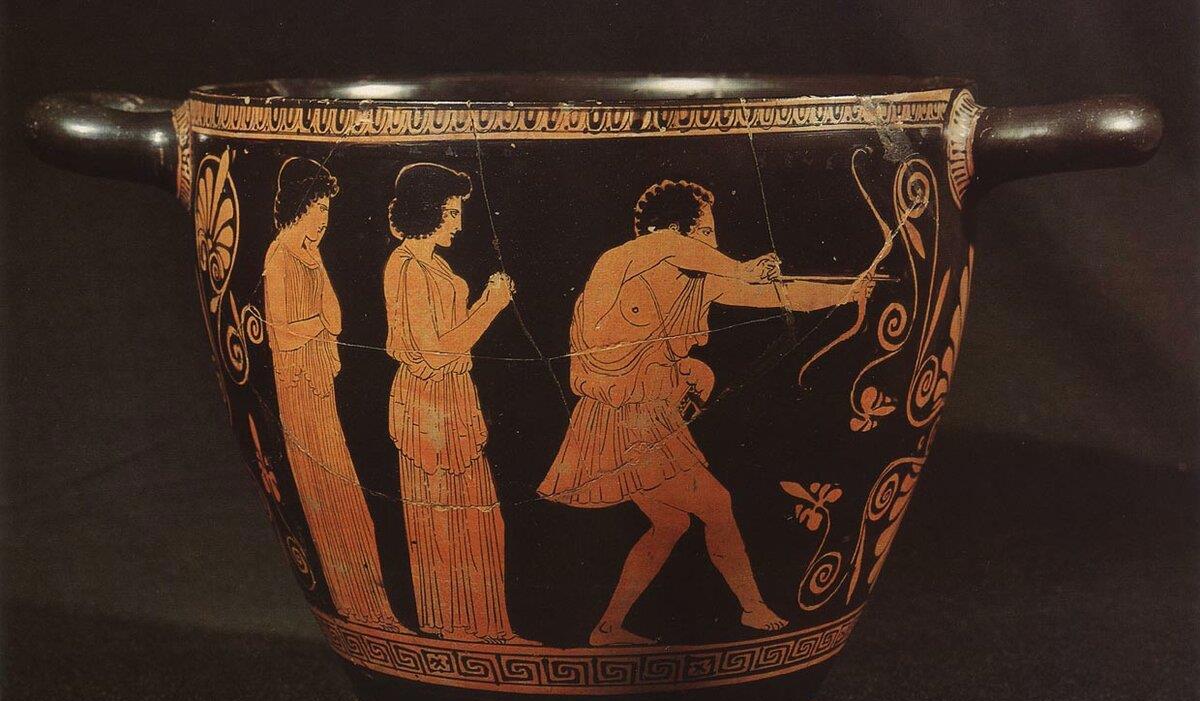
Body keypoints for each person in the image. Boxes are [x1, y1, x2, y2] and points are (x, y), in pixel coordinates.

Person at [538, 179, 874, 646]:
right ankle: (751, 608)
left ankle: (608, 627)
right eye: (706, 233)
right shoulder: (619, 264)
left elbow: (781, 295)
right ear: (673, 231)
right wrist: (741, 268)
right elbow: (669, 247)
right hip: (620, 420)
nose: (712, 244)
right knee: (716, 505)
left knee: (671, 522)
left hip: (649, 418)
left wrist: (848, 292)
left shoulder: (695, 284)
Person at [383, 162, 530, 644]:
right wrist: (490, 306)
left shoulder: (436, 265)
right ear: (426, 212)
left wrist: (484, 305)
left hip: (452, 396)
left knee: (476, 512)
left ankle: (487, 626)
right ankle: (452, 628)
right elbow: (434, 351)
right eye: (450, 213)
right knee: (442, 516)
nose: (459, 224)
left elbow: (449, 340)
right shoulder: (407, 267)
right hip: (428, 400)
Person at [263, 157, 406, 633]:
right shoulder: (280, 256)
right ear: (299, 204)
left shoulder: (309, 254)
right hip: (299, 391)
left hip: (319, 386)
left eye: (327, 209)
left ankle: (372, 608)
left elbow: (337, 319)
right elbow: (284, 331)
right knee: (327, 494)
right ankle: (357, 606)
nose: (324, 219)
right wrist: (317, 323)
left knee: (346, 496)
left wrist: (318, 315)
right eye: (319, 208)